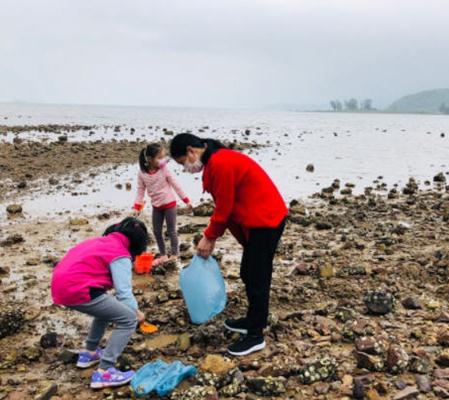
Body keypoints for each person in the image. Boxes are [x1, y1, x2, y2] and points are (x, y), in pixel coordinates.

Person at [169, 134, 288, 356]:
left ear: (191, 151)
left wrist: (209, 237)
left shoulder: (221, 163)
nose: (186, 168)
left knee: (257, 278)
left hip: (267, 221)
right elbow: (231, 209)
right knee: (248, 272)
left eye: (182, 162)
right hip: (258, 223)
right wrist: (245, 241)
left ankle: (255, 336)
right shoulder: (216, 161)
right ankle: (252, 319)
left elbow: (224, 208)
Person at [51, 217, 149, 389]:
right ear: (137, 244)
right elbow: (123, 292)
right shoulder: (121, 254)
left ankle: (89, 353)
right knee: (128, 320)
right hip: (77, 288)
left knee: (105, 308)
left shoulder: (101, 241)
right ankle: (105, 371)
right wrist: (137, 313)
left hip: (60, 285)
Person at [133, 143, 192, 265]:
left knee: (171, 230)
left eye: (163, 157)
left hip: (170, 204)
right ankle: (164, 255)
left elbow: (175, 184)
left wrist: (186, 200)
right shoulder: (142, 174)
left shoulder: (164, 170)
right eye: (159, 158)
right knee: (156, 231)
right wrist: (137, 207)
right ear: (149, 159)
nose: (163, 160)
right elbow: (140, 191)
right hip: (157, 206)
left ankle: (175, 255)